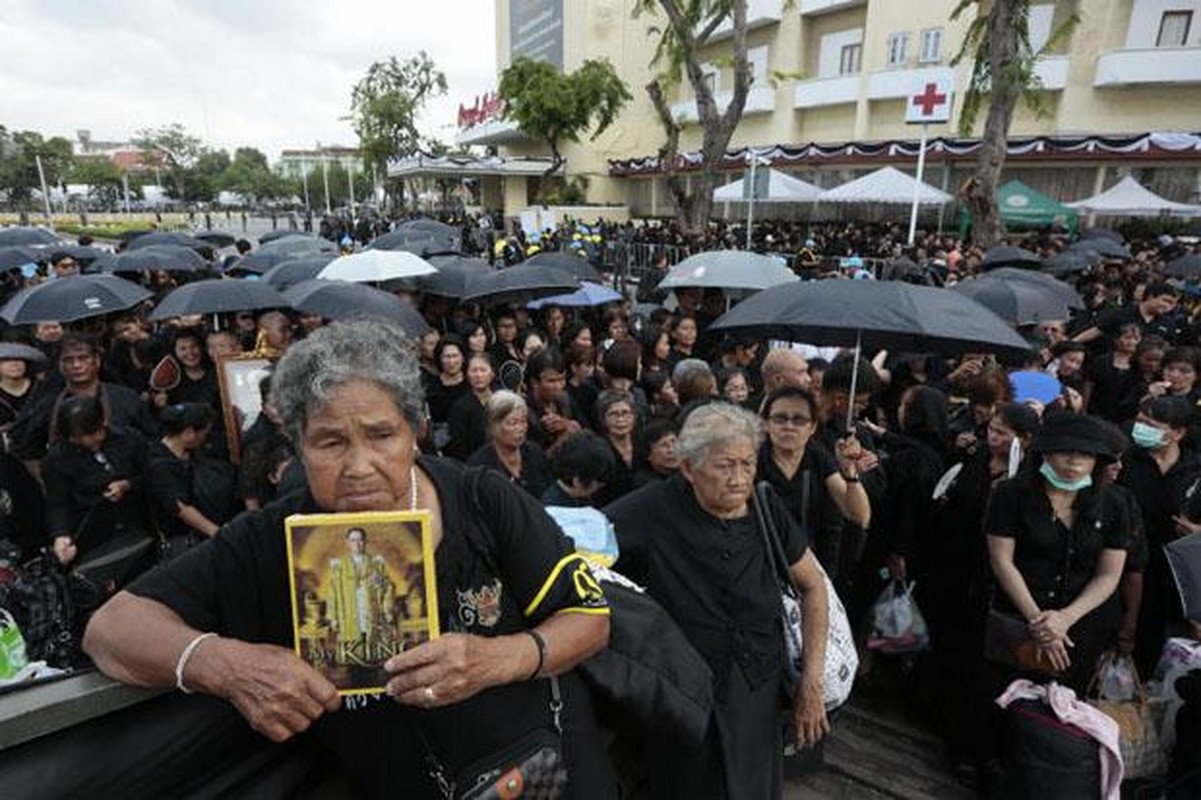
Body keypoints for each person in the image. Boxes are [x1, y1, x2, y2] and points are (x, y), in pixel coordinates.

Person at [82, 319, 615, 798]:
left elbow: (589, 619)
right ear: (297, 445)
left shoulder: (482, 498)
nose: (359, 466)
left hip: (547, 775)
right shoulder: (270, 537)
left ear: (415, 432)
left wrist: (496, 660)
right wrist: (223, 665)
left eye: (382, 435)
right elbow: (112, 628)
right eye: (330, 442)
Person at [604, 403, 830, 800]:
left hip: (755, 689)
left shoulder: (765, 507)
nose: (739, 478)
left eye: (747, 464)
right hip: (684, 695)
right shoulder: (653, 508)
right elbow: (581, 544)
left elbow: (814, 586)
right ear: (689, 469)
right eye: (725, 466)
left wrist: (811, 680)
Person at [983, 412, 1129, 694]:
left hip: (1075, 626)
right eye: (1066, 452)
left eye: (1085, 456)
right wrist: (1039, 622)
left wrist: (1064, 619)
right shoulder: (1011, 494)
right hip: (1015, 615)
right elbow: (1002, 560)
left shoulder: (1113, 505)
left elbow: (1109, 574)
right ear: (1046, 454)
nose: (1074, 462)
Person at [758, 388, 870, 575]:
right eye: (780, 419)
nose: (789, 426)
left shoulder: (818, 457)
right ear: (766, 424)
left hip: (808, 566)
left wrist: (850, 473)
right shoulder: (751, 459)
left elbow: (859, 516)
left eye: (799, 420)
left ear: (812, 428)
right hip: (761, 565)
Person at [42, 395, 154, 567]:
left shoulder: (130, 439)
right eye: (75, 437)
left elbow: (152, 474)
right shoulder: (57, 458)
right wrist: (61, 535)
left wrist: (127, 485)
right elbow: (57, 503)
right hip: (93, 532)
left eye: (89, 434)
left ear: (103, 424)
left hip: (139, 523)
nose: (83, 441)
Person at [327, 527, 397, 663]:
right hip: (349, 609)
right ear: (347, 542)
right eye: (353, 540)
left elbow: (387, 587)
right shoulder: (339, 565)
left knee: (371, 645)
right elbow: (333, 592)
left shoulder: (375, 563)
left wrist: (387, 609)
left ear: (365, 542)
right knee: (353, 649)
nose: (357, 544)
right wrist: (333, 617)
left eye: (360, 540)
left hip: (369, 608)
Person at [468, 390, 554, 498]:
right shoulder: (480, 466)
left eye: (523, 421)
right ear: (493, 426)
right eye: (512, 423)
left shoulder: (534, 452)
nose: (520, 428)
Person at [542, 430, 614, 507]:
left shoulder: (581, 496)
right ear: (577, 482)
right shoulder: (553, 510)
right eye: (597, 482)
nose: (600, 486)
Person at [445, 352, 494, 462]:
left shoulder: (501, 398)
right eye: (474, 370)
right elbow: (459, 449)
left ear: (492, 373)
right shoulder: (459, 408)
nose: (478, 375)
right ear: (467, 374)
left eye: (483, 370)